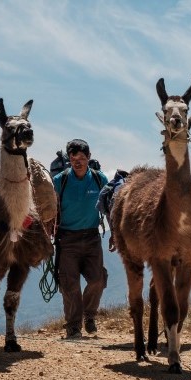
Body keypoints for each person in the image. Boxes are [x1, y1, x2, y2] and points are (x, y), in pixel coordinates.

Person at [51, 139, 108, 338]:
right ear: (70, 159)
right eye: (74, 158)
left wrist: (115, 235)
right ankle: (74, 326)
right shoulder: (60, 180)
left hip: (92, 237)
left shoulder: (100, 179)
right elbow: (49, 208)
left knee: (97, 280)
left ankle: (89, 316)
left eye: (82, 158)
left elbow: (110, 208)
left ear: (88, 158)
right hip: (67, 239)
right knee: (70, 284)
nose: (78, 162)